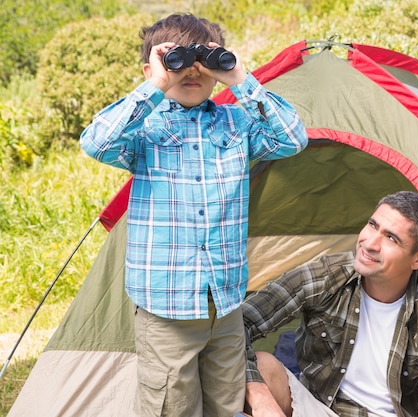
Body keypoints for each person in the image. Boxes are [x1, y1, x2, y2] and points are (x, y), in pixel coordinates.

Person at [80, 13, 308, 417]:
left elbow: (293, 139)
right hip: (166, 308)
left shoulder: (237, 124)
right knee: (171, 405)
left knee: (225, 404)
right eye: (176, 60)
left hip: (224, 302)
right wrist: (156, 85)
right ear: (150, 68)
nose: (192, 71)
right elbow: (96, 142)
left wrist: (239, 78)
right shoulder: (144, 130)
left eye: (205, 60)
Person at [242, 191, 418, 417]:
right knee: (261, 366)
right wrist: (260, 398)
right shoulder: (327, 276)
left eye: (391, 238)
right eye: (372, 225)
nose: (370, 244)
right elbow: (238, 324)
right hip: (319, 410)